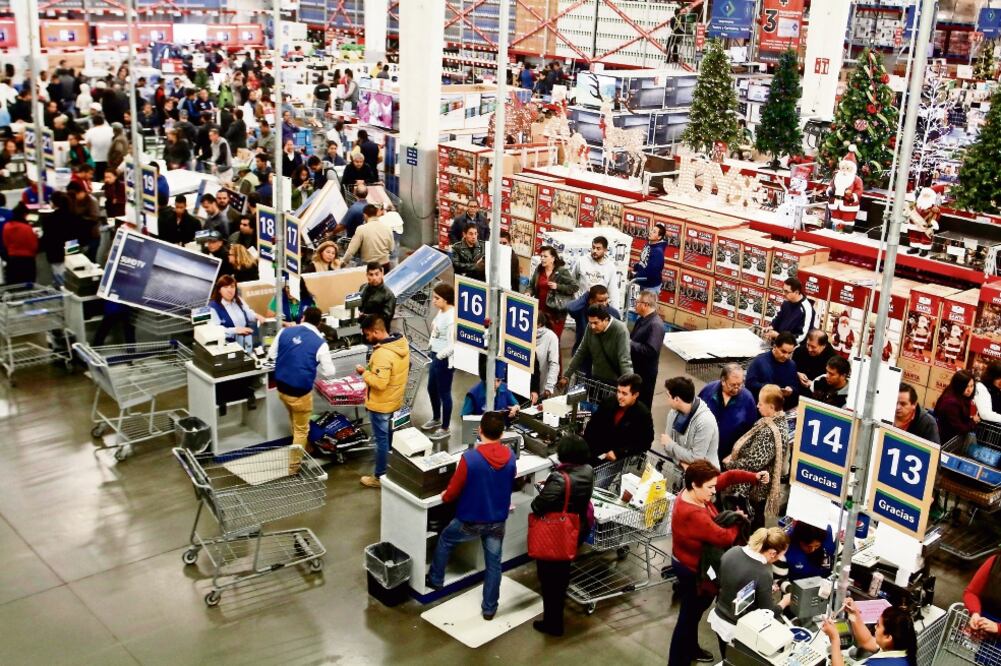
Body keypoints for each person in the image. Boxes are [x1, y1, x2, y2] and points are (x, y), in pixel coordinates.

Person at [668, 460, 769, 666]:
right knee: (688, 617)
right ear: (694, 484)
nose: (714, 492)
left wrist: (754, 477)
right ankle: (677, 661)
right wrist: (738, 518)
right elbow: (723, 537)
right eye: (710, 488)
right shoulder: (692, 513)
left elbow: (729, 476)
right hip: (692, 570)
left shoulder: (696, 494)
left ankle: (690, 649)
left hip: (691, 562)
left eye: (714, 486)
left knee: (692, 615)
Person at [426, 411, 516, 621]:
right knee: (494, 564)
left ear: (480, 431)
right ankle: (489, 608)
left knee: (446, 539)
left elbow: (453, 492)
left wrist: (445, 496)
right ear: (502, 434)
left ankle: (436, 579)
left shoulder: (470, 459)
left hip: (470, 520)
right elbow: (510, 481)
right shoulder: (510, 457)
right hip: (496, 522)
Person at [531, 435, 594, 637]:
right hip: (574, 530)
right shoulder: (588, 471)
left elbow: (538, 505)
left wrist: (545, 489)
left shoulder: (560, 478)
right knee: (562, 576)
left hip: (554, 534)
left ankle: (552, 623)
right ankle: (555, 616)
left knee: (549, 580)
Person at [709, 528, 792, 658]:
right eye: (781, 555)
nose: (780, 559)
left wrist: (762, 590)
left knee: (725, 657)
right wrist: (784, 602)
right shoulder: (763, 573)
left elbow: (732, 583)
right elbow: (768, 612)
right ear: (772, 553)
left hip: (719, 617)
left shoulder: (733, 551)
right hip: (738, 629)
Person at [267, 306, 336, 450]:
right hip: (300, 393)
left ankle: (307, 448)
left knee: (294, 419)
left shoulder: (284, 331)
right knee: (301, 430)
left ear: (303, 317)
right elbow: (329, 372)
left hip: (282, 388)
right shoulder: (320, 343)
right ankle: (295, 467)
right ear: (319, 323)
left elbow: (272, 355)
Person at [722, 385, 789, 529]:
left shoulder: (769, 432)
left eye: (761, 403)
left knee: (753, 518)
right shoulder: (778, 422)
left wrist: (731, 463)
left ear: (771, 407)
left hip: (756, 487)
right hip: (761, 484)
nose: (757, 406)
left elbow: (754, 463)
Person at [356, 313, 410, 488]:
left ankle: (379, 477)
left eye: (368, 334)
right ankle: (392, 469)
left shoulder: (382, 354)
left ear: (377, 331)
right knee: (391, 439)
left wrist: (364, 373)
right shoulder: (400, 344)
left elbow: (379, 383)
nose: (367, 338)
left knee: (381, 441)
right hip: (395, 400)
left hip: (381, 405)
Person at [582, 373, 654, 465]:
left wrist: (618, 452)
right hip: (596, 451)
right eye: (618, 391)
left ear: (635, 395)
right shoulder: (608, 402)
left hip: (617, 460)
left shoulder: (642, 414)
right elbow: (593, 426)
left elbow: (645, 442)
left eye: (624, 393)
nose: (619, 397)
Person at [822, 603, 918, 666]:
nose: (875, 627)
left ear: (888, 637)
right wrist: (853, 614)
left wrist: (834, 639)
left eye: (878, 625)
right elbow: (867, 641)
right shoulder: (901, 650)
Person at [699, 364, 758, 463]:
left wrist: (736, 454)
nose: (736, 388)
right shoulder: (708, 391)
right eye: (733, 385)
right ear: (723, 381)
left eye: (740, 384)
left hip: (728, 458)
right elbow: (695, 416)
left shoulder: (748, 399)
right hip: (704, 452)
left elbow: (751, 433)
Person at [562, 305, 632, 386]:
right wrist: (567, 375)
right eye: (590, 322)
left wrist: (629, 385)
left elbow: (625, 359)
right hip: (596, 378)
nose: (592, 326)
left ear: (605, 320)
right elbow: (581, 352)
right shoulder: (590, 327)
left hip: (614, 381)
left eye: (596, 323)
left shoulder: (620, 330)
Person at [662, 376, 721, 468]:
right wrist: (682, 463)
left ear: (677, 399)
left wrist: (671, 445)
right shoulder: (673, 413)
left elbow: (696, 459)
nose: (667, 400)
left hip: (704, 477)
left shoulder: (705, 422)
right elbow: (666, 447)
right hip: (681, 471)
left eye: (668, 396)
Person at [421, 283, 456, 439]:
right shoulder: (441, 312)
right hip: (434, 355)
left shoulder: (452, 317)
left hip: (443, 360)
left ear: (446, 299)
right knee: (431, 388)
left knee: (444, 393)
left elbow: (454, 344)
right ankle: (436, 418)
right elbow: (435, 331)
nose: (434, 301)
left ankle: (445, 427)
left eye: (437, 298)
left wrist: (440, 356)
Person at [530, 245, 578, 341]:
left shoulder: (561, 271)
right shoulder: (539, 270)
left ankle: (555, 356)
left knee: (554, 340)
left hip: (556, 313)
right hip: (541, 311)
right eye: (541, 256)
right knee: (539, 339)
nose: (542, 259)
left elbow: (574, 287)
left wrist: (558, 287)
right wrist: (528, 292)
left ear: (553, 258)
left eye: (545, 256)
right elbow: (531, 286)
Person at [209, 275, 263, 352]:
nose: (230, 290)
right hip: (228, 346)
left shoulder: (238, 300)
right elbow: (216, 330)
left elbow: (248, 313)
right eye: (225, 287)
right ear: (219, 290)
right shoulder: (213, 307)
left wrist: (256, 316)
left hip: (245, 341)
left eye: (232, 287)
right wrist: (235, 330)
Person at [746, 332, 799, 410]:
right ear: (775, 346)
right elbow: (750, 384)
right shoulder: (759, 361)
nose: (786, 356)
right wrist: (772, 389)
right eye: (783, 352)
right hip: (760, 409)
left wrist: (791, 390)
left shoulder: (792, 365)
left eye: (790, 353)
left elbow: (796, 387)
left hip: (781, 411)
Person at [630, 290, 665, 407]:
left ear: (645, 305)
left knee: (641, 405)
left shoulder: (655, 325)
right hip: (636, 370)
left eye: (637, 302)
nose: (635, 304)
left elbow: (651, 350)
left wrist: (630, 343)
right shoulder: (641, 320)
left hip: (645, 374)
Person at [571, 285, 621, 353]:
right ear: (591, 301)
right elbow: (570, 308)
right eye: (600, 301)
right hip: (584, 355)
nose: (604, 303)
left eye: (606, 300)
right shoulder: (581, 311)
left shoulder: (614, 313)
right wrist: (586, 294)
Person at [342, 205, 394, 271]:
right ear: (376, 213)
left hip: (370, 267)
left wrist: (343, 263)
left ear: (365, 215)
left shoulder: (361, 229)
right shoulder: (387, 228)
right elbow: (391, 248)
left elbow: (351, 251)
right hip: (385, 265)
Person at [935, 370, 978, 444]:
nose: (970, 390)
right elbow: (960, 428)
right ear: (959, 385)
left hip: (951, 438)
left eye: (972, 386)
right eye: (966, 386)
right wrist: (973, 422)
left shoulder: (957, 393)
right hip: (946, 440)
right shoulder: (951, 403)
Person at [767, 277, 814, 344]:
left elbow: (801, 337)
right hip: (779, 342)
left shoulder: (807, 309)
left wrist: (778, 336)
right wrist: (772, 326)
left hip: (792, 348)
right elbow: (779, 317)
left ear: (796, 292)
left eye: (786, 292)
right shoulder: (787, 302)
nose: (783, 294)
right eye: (783, 290)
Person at [964, 552, 1001, 634]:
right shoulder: (995, 561)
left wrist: (998, 628)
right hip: (982, 621)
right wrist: (975, 614)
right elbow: (971, 593)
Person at [531, 313, 560, 405]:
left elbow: (554, 363)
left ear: (539, 324)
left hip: (541, 388)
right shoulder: (522, 333)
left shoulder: (551, 337)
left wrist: (549, 386)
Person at [2, 209, 38, 284]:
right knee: (28, 285)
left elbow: (5, 243)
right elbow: (33, 245)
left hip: (12, 260)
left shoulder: (7, 226)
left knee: (14, 285)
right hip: (27, 260)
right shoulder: (26, 228)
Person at [358, 262, 397, 329]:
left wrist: (364, 316)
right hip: (362, 327)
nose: (374, 278)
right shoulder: (363, 288)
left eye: (377, 274)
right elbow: (359, 306)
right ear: (367, 275)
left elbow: (386, 318)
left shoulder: (388, 295)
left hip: (378, 331)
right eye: (371, 275)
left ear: (382, 274)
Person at [631, 222, 666, 295]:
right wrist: (635, 267)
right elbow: (643, 262)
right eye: (651, 230)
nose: (650, 232)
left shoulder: (657, 252)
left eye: (654, 232)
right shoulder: (648, 244)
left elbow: (651, 272)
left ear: (659, 237)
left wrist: (636, 275)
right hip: (641, 283)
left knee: (648, 306)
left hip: (650, 287)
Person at [84, 114, 113, 179]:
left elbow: (88, 145)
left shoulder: (90, 131)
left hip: (95, 158)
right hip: (108, 158)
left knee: (97, 179)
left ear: (93, 122)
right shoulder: (111, 130)